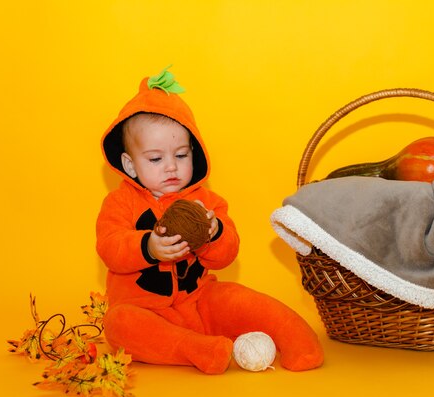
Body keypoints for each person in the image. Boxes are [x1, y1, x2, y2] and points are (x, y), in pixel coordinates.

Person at [96, 67, 323, 374]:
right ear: (130, 164)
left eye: (181, 155)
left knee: (242, 300)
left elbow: (227, 255)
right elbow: (110, 248)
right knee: (119, 324)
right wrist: (148, 246)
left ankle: (299, 341)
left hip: (200, 300)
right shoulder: (119, 202)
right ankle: (195, 349)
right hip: (147, 311)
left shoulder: (205, 201)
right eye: (155, 159)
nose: (171, 167)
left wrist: (215, 233)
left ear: (195, 152)